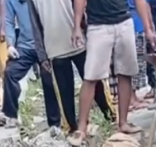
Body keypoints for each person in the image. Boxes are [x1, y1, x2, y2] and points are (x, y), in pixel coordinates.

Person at [71, 0, 156, 143]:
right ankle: (81, 129)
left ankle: (123, 123)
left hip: (124, 22)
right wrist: (76, 27)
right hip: (98, 26)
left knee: (126, 73)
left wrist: (148, 29)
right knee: (91, 77)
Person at [24, 0, 116, 131]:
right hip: (54, 47)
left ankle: (111, 116)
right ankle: (73, 129)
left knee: (95, 83)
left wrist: (89, 34)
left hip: (78, 40)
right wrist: (42, 55)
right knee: (64, 94)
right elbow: (35, 23)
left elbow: (82, 7)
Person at [3, 0, 62, 128]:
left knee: (48, 78)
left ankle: (55, 123)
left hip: (46, 44)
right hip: (25, 46)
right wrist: (10, 44)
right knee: (10, 73)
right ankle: (11, 115)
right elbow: (8, 21)